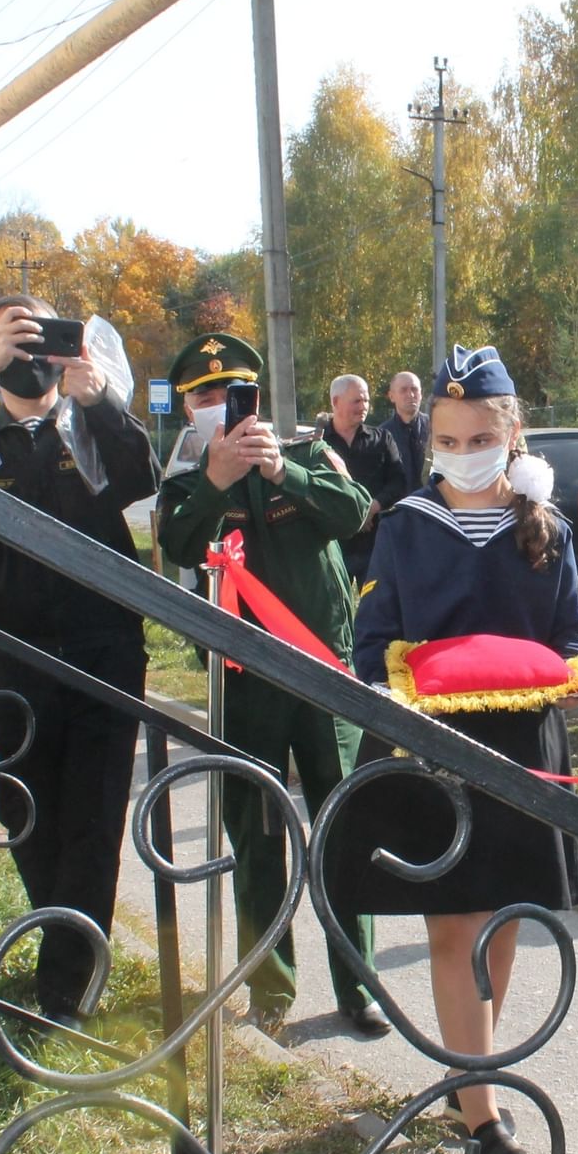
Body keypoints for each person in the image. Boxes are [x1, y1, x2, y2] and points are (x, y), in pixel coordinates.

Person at [334, 342, 578, 1154]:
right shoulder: (407, 525)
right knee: (453, 923)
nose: (463, 450)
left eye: (480, 435)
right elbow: (372, 645)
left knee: (505, 920)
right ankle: (483, 1115)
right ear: (428, 438)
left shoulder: (545, 528)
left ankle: (466, 1079)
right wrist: (389, 688)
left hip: (523, 749)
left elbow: (571, 636)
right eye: (447, 437)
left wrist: (576, 677)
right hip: (433, 749)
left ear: (511, 433)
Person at [0, 294, 158, 1026]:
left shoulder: (93, 425)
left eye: (44, 340)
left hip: (103, 654)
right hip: (16, 655)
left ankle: (68, 983)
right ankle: (66, 935)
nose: (32, 357)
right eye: (14, 340)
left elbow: (141, 487)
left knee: (92, 822)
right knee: (27, 814)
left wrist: (100, 402)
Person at [156, 333, 385, 1037]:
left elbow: (356, 515)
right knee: (257, 837)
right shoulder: (186, 480)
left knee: (342, 832)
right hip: (244, 682)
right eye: (205, 396)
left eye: (236, 393)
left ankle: (359, 985)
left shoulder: (309, 452)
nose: (222, 406)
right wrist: (217, 481)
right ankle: (272, 990)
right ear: (189, 408)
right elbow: (176, 546)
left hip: (324, 675)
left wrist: (285, 472)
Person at [319, 373, 409, 583]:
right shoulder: (316, 443)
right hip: (332, 545)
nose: (364, 406)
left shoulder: (382, 439)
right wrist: (351, 516)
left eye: (366, 400)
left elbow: (398, 482)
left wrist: (371, 508)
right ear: (335, 402)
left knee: (375, 608)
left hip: (374, 545)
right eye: (357, 401)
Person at [378, 370, 429, 484]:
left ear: (421, 394)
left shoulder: (437, 429)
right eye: (403, 390)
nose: (410, 395)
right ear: (392, 396)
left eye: (414, 389)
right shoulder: (382, 436)